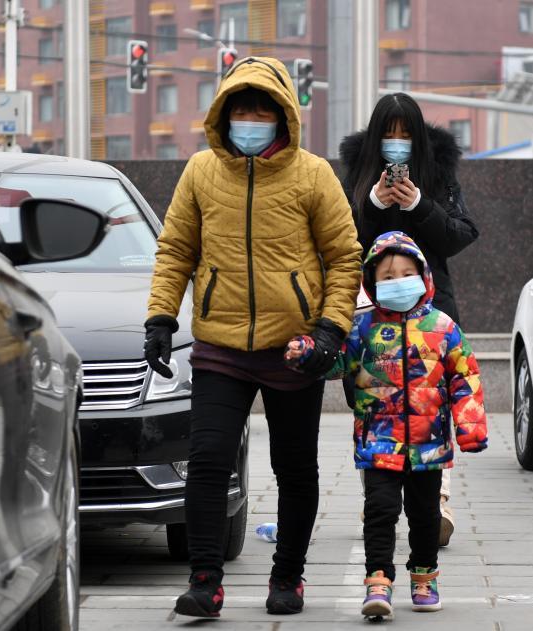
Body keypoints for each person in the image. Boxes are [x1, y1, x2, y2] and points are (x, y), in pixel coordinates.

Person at [143, 56, 362, 618]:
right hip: (220, 345)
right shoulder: (199, 172)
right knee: (209, 458)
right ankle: (206, 581)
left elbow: (344, 257)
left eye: (263, 110)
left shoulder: (314, 174)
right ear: (223, 114)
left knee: (295, 468)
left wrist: (331, 331)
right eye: (241, 109)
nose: (251, 119)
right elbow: (175, 251)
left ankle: (288, 576)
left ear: (284, 116)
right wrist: (161, 320)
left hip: (294, 349)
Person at [285, 231, 488, 618]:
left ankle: (424, 576)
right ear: (372, 283)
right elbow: (336, 361)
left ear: (423, 276)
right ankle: (378, 580)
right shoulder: (364, 329)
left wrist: (470, 427)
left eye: (406, 273)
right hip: (379, 442)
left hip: (429, 446)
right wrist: (307, 353)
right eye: (388, 276)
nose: (398, 282)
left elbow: (465, 376)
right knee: (379, 510)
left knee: (425, 514)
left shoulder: (443, 327)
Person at [339, 93, 479, 546]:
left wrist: (420, 203)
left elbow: (460, 234)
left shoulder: (438, 171)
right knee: (372, 401)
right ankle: (376, 498)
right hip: (367, 312)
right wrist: (374, 208)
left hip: (430, 314)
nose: (396, 143)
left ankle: (436, 501)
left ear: (416, 137)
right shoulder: (357, 173)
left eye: (404, 134)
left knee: (429, 401)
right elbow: (340, 239)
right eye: (388, 133)